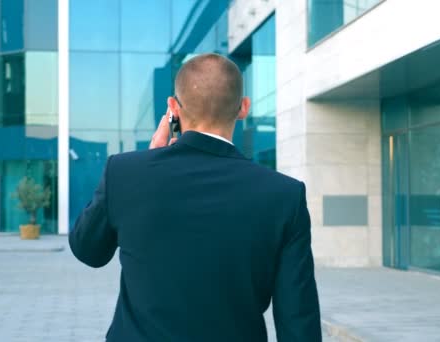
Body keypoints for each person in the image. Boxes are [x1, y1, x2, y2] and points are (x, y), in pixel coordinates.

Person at [69, 53, 321, 341]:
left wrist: (148, 163)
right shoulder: (284, 194)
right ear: (244, 107)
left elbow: (88, 250)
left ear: (173, 108)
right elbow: (298, 319)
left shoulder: (125, 173)